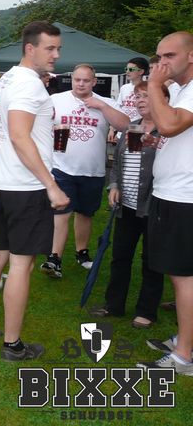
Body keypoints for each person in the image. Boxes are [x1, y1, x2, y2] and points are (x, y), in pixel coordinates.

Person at [0, 21, 69, 362]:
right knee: (21, 264)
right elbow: (20, 136)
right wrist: (51, 185)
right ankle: (12, 345)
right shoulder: (27, 84)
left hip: (3, 182)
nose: (56, 55)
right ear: (30, 48)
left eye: (58, 49)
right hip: (27, 186)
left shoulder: (6, 79)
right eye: (50, 48)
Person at [136, 31, 193, 375]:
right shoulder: (183, 90)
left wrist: (155, 85)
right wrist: (158, 140)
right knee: (179, 274)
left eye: (169, 56)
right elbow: (172, 130)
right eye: (158, 57)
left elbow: (171, 124)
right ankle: (186, 340)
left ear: (191, 56)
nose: (161, 63)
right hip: (172, 193)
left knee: (184, 277)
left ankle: (184, 357)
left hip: (184, 197)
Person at [39, 64, 129, 279]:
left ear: (94, 82)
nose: (80, 84)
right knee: (61, 212)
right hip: (61, 166)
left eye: (86, 80)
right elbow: (39, 124)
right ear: (72, 79)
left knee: (86, 213)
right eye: (77, 80)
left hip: (93, 170)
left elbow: (125, 125)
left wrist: (101, 106)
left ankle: (82, 253)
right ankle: (54, 258)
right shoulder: (56, 100)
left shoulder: (105, 102)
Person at [89, 81, 166, 328]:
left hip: (153, 205)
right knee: (120, 257)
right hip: (126, 205)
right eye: (137, 96)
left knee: (151, 260)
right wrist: (114, 186)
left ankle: (146, 311)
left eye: (146, 96)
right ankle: (114, 305)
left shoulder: (167, 131)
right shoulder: (132, 127)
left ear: (162, 99)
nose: (140, 100)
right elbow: (118, 163)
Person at [108, 57, 149, 143]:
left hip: (139, 131)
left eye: (131, 69)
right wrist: (112, 129)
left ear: (141, 72)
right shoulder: (124, 88)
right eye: (126, 69)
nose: (127, 72)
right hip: (122, 131)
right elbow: (118, 109)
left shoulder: (147, 88)